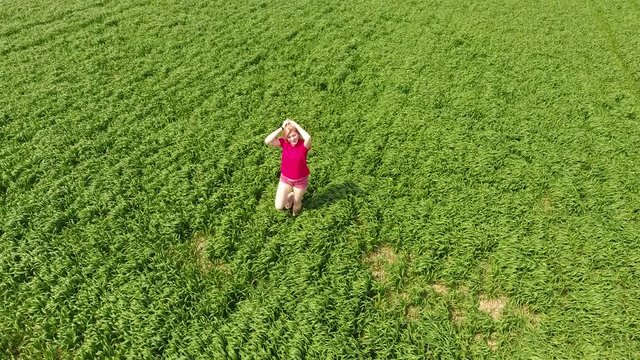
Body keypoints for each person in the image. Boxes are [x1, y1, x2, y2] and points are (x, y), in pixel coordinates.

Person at [264, 119, 312, 216]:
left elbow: (308, 137)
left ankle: (294, 216)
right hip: (285, 179)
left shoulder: (303, 145)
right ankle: (291, 194)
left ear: (298, 134)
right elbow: (267, 141)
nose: (292, 139)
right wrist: (282, 128)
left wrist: (295, 125)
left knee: (297, 203)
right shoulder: (284, 143)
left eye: (294, 135)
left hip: (300, 181)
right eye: (289, 137)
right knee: (279, 206)